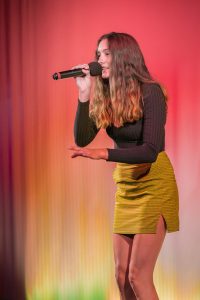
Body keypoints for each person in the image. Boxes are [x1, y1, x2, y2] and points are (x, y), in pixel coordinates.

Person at [69, 32, 179, 300]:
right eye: (98, 54)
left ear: (124, 58)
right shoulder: (107, 95)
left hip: (153, 183)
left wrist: (104, 154)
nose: (100, 60)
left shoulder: (150, 92)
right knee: (121, 275)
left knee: (137, 275)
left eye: (106, 54)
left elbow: (150, 151)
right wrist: (84, 94)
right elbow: (82, 138)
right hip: (127, 185)